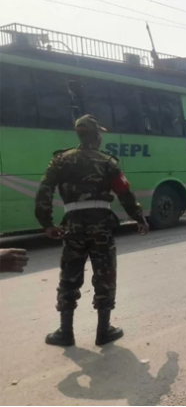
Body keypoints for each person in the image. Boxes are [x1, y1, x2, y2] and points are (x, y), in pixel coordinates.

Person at [35, 114, 149, 347]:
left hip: (72, 225)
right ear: (97, 135)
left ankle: (65, 332)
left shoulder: (60, 160)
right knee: (104, 274)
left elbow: (44, 190)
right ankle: (104, 330)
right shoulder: (108, 162)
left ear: (79, 134)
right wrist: (138, 218)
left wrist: (46, 223)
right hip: (101, 226)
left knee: (69, 276)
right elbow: (124, 193)